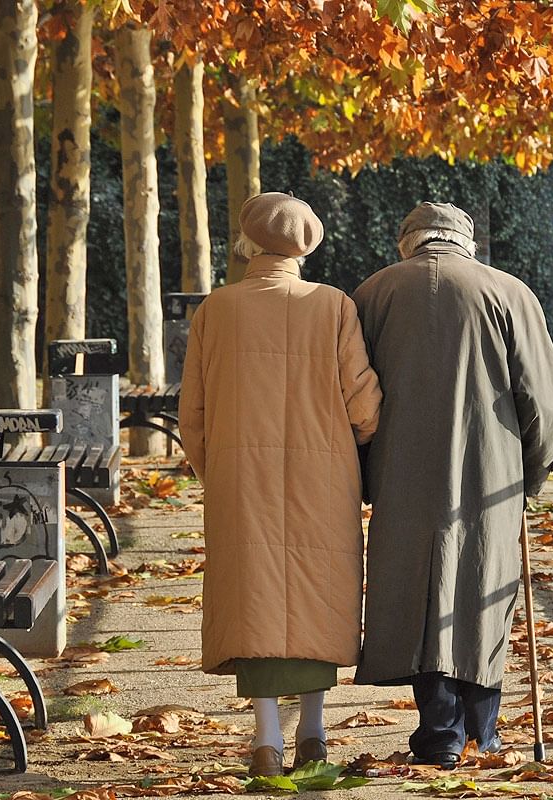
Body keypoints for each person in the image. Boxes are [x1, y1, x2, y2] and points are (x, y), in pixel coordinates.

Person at [352, 202, 553, 769]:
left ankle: (439, 730)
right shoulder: (508, 292)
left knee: (418, 592)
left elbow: (351, 395)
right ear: (464, 241)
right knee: (481, 588)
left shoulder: (372, 293)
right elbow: (545, 402)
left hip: (399, 468)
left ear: (409, 241)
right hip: (491, 466)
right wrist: (531, 471)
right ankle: (483, 729)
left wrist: (360, 469)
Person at [179, 192, 382, 778]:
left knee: (255, 598)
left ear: (246, 244)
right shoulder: (334, 306)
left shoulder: (216, 310)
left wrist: (214, 471)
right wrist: (359, 443)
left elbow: (191, 413)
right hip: (325, 476)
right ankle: (313, 732)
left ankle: (267, 737)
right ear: (306, 247)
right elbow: (363, 402)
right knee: (319, 594)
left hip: (242, 479)